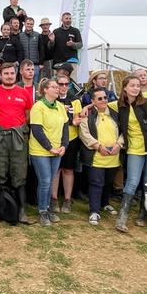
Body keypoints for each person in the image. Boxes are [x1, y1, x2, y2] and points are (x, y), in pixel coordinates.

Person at [114, 75, 147, 232]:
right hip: (134, 149)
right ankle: (122, 218)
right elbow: (98, 104)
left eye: (138, 86)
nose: (136, 88)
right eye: (132, 85)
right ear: (124, 88)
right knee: (132, 181)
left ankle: (143, 214)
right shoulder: (119, 105)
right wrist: (86, 108)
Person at [0, 62, 35, 224]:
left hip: (18, 138)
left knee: (19, 173)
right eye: (6, 73)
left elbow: (28, 114)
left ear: (16, 74)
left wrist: (18, 128)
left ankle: (21, 211)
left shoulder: (24, 93)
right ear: (0, 75)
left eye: (12, 73)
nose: (9, 76)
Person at [80, 87, 124, 225]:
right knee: (96, 183)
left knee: (108, 182)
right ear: (93, 101)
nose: (104, 100)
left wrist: (119, 144)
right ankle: (94, 211)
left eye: (105, 97)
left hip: (113, 156)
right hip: (96, 156)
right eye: (100, 98)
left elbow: (125, 131)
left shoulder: (115, 114)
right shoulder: (87, 115)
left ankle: (105, 203)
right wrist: (98, 146)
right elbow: (84, 134)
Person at [28, 78, 68, 226]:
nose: (57, 89)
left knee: (50, 181)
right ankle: (43, 211)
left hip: (57, 150)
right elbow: (37, 130)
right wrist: (50, 148)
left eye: (57, 87)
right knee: (45, 181)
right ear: (45, 90)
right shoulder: (38, 107)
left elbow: (65, 128)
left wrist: (64, 145)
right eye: (54, 87)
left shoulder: (60, 106)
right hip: (41, 151)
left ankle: (46, 208)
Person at [50, 73, 83, 214]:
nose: (63, 87)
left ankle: (68, 200)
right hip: (55, 139)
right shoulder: (51, 100)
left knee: (68, 169)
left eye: (66, 84)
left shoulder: (75, 100)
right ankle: (54, 199)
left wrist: (72, 121)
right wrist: (71, 121)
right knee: (55, 170)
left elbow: (77, 119)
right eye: (60, 84)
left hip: (71, 139)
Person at [18, 17, 44, 84]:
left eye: (31, 24)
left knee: (35, 84)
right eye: (28, 24)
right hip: (24, 64)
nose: (29, 25)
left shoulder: (38, 35)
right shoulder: (20, 35)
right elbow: (19, 51)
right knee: (24, 83)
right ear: (25, 24)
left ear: (33, 25)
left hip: (35, 65)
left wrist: (41, 63)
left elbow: (41, 50)